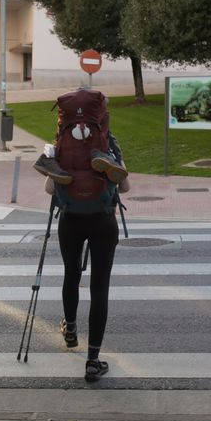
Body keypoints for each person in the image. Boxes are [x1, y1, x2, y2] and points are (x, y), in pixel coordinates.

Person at [44, 152, 129, 382]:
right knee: (99, 288)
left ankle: (70, 329)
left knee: (71, 274)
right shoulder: (108, 141)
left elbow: (50, 189)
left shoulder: (62, 144)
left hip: (70, 220)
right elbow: (125, 186)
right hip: (103, 220)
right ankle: (93, 360)